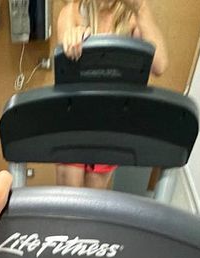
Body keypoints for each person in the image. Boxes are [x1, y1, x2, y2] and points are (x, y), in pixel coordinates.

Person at [56, 0, 169, 189]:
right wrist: (71, 40)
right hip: (75, 119)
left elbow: (160, 65)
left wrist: (141, 8)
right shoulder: (72, 12)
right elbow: (65, 71)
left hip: (110, 122)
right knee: (69, 196)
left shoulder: (132, 17)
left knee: (94, 201)